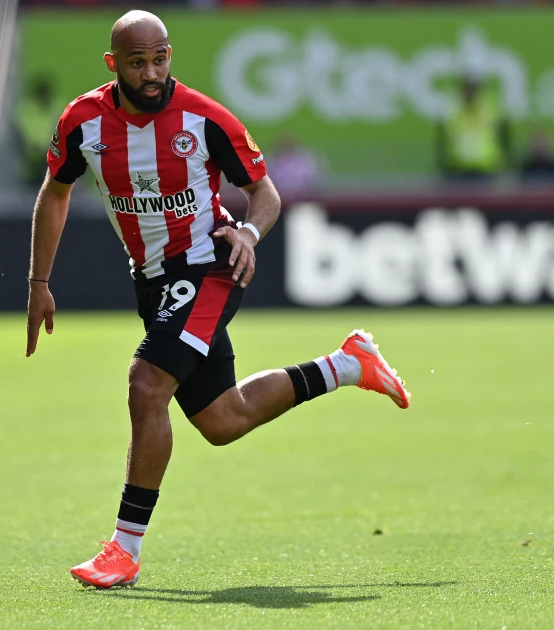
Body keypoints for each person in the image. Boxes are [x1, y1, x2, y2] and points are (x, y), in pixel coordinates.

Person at [24, 11, 411, 590]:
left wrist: (250, 234)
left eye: (160, 59)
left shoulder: (205, 119)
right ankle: (349, 363)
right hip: (153, 280)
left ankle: (123, 550)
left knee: (146, 384)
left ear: (170, 55)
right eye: (137, 63)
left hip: (210, 264)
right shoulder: (83, 123)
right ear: (114, 65)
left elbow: (266, 193)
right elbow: (55, 193)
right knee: (224, 420)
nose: (152, 73)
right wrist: (38, 283)